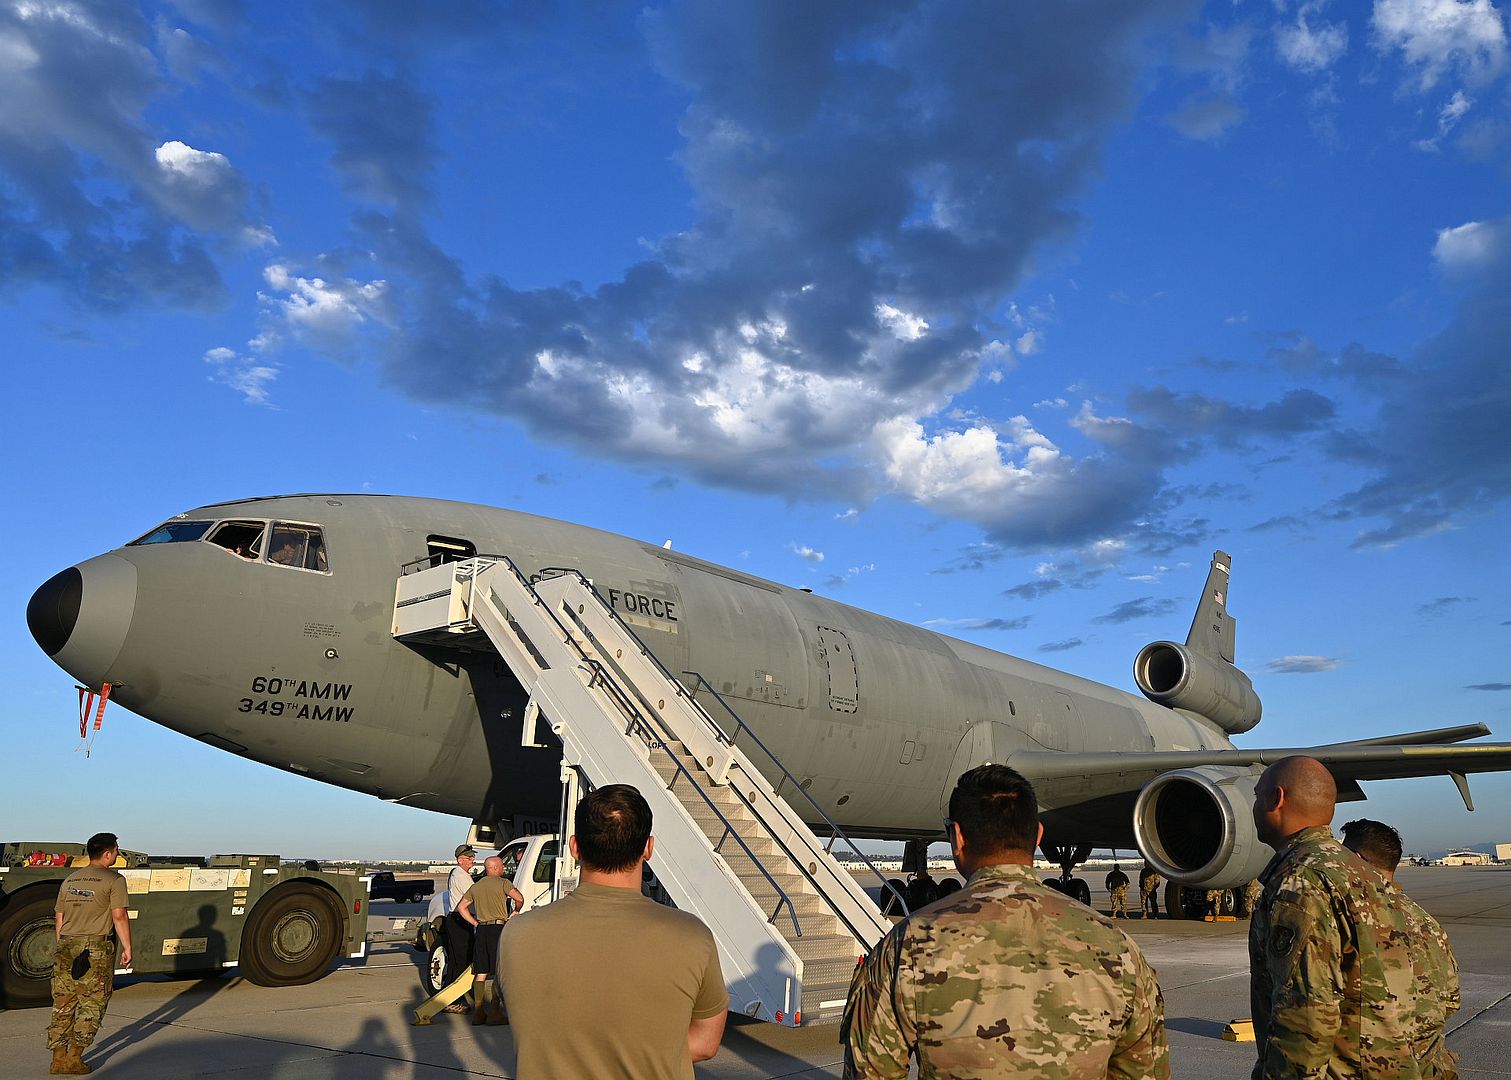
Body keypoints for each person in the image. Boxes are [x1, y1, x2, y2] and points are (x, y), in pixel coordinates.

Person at [842, 765, 1168, 1078]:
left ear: (956, 838)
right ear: (1037, 835)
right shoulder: (1117, 947)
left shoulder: (908, 945)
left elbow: (871, 1071)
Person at [499, 785, 727, 1078]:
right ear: (648, 848)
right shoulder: (693, 936)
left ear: (574, 847)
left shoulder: (516, 935)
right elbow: (706, 1043)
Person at [1249, 757, 1421, 1079]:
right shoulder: (1363, 874)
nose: (1254, 807)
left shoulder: (1301, 880)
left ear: (1276, 799)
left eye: (1258, 796)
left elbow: (1306, 1017)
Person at [1341, 818, 1460, 1079]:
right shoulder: (1427, 921)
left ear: (1357, 859)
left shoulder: (1353, 920)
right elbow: (1451, 1000)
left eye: (1342, 856)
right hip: (1430, 1066)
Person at [48, 832, 132, 1076]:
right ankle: (74, 1058)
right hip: (95, 947)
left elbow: (59, 918)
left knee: (63, 1003)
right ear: (107, 854)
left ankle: (57, 1058)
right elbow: (119, 916)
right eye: (116, 850)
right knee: (92, 1003)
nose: (117, 854)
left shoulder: (70, 880)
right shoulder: (114, 880)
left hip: (66, 944)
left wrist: (63, 946)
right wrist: (127, 947)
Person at [455, 855, 524, 1026]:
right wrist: (515, 911)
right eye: (501, 866)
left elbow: (461, 907)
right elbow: (520, 898)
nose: (503, 868)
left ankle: (478, 1013)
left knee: (481, 972)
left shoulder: (476, 886)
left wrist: (475, 922)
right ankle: (494, 1013)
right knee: (499, 971)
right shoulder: (503, 883)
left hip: (482, 930)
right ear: (493, 868)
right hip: (498, 929)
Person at [440, 844, 478, 1012]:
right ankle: (452, 1000)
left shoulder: (460, 874)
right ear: (460, 859)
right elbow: (474, 895)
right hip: (460, 921)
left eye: (472, 857)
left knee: (459, 961)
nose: (473, 860)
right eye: (469, 858)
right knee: (461, 961)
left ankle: (451, 997)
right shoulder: (461, 876)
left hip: (457, 920)